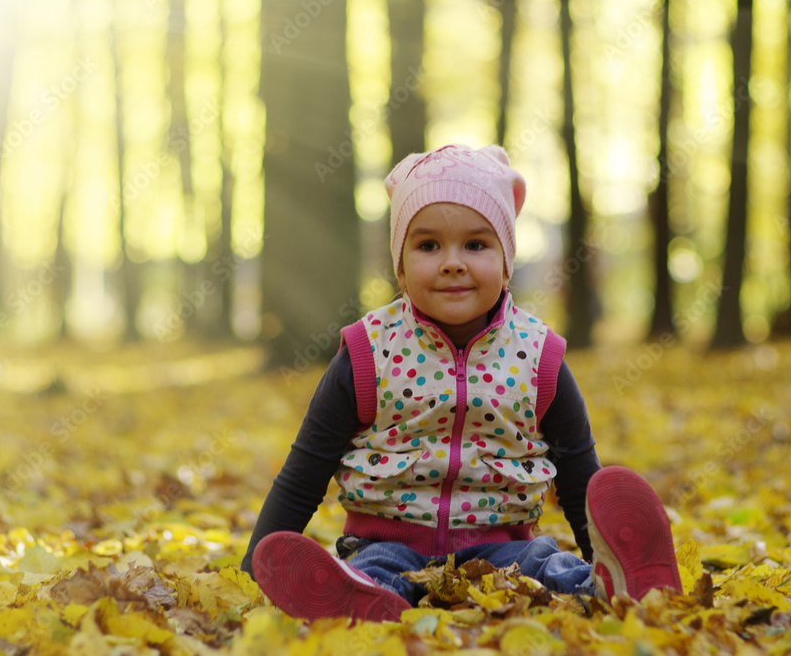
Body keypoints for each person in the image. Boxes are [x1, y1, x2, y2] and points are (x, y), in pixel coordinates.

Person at [241, 144, 682, 622]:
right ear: (402, 266)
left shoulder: (538, 358)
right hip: (387, 542)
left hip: (503, 549)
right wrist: (249, 573)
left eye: (476, 244)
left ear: (506, 260)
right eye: (428, 245)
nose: (452, 262)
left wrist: (594, 547)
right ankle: (359, 599)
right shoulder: (369, 351)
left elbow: (577, 476)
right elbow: (306, 469)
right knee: (374, 571)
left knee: (550, 568)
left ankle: (616, 584)